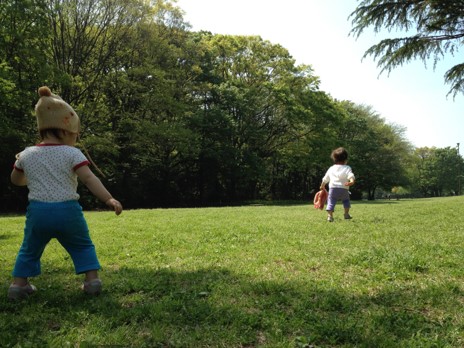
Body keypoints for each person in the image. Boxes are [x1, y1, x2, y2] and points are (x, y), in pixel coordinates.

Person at [8, 86, 123, 300]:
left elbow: (16, 180)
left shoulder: (27, 154)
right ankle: (92, 281)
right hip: (68, 211)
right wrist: (108, 198)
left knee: (29, 249)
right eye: (74, 134)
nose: (75, 138)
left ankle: (18, 285)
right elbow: (89, 178)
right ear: (64, 129)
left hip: (38, 213)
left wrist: (28, 178)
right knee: (82, 245)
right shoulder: (72, 153)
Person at [320, 147, 355, 222]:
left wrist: (322, 185)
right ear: (345, 160)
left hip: (333, 188)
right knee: (346, 201)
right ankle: (346, 214)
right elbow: (350, 175)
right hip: (344, 188)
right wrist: (351, 181)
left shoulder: (331, 168)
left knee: (331, 201)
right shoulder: (347, 167)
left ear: (334, 159)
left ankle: (330, 216)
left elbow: (325, 178)